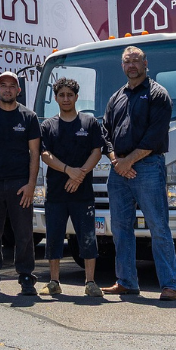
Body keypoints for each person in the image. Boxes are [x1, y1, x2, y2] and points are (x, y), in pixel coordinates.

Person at [102, 46, 176, 301]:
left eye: (136, 60)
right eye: (127, 61)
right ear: (122, 66)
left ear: (146, 63)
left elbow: (155, 136)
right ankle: (126, 281)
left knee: (158, 226)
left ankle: (170, 285)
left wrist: (129, 162)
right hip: (118, 170)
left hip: (147, 166)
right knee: (121, 228)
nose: (131, 65)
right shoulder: (116, 97)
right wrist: (116, 159)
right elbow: (105, 132)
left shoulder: (158, 94)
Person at [38, 77, 107, 298]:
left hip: (83, 193)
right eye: (61, 95)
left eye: (70, 94)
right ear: (56, 98)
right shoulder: (48, 125)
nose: (66, 98)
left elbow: (97, 151)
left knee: (87, 236)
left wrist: (80, 175)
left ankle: (90, 282)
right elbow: (45, 154)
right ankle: (54, 281)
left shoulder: (89, 123)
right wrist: (69, 170)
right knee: (55, 236)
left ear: (77, 97)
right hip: (56, 193)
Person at [0, 71, 42, 296]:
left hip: (20, 184)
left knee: (24, 233)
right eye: (2, 85)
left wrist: (31, 185)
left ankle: (25, 277)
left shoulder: (29, 117)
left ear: (18, 90)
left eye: (11, 86)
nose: (7, 89)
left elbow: (35, 154)